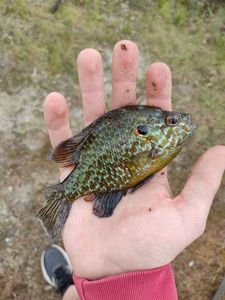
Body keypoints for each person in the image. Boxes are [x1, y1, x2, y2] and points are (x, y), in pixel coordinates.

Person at [40, 40, 225, 300]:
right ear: (148, 132)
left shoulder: (156, 148)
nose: (179, 122)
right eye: (172, 121)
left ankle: (70, 289)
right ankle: (71, 288)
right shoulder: (153, 147)